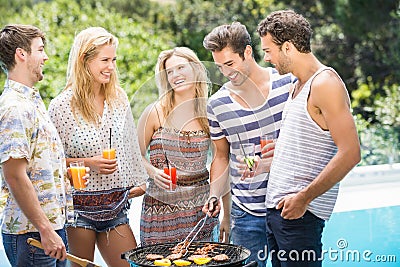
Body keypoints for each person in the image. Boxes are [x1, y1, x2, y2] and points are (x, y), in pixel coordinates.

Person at [257, 10, 361, 267]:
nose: (267, 58)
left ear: (288, 47)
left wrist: (303, 198)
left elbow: (350, 153)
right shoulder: (298, 85)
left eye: (269, 50)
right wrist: (281, 151)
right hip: (279, 213)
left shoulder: (325, 83)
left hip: (299, 215)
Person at [48, 27, 148, 267]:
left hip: (116, 208)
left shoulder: (119, 98)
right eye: (104, 60)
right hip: (78, 211)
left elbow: (130, 147)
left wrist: (139, 181)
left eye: (113, 59)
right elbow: (50, 164)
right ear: (84, 60)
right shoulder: (61, 106)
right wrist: (89, 163)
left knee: (132, 264)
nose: (111, 66)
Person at [202, 22, 296, 266]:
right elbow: (221, 157)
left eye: (230, 64)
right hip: (245, 214)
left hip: (288, 205)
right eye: (220, 66)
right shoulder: (217, 104)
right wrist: (214, 194)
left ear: (247, 52)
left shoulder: (288, 84)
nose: (226, 72)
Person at [0, 24, 74, 266]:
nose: (46, 57)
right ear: (21, 54)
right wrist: (46, 230)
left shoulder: (31, 102)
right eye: (40, 50)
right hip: (32, 235)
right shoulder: (14, 108)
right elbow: (14, 176)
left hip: (48, 230)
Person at [138, 47, 219, 245]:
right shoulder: (154, 112)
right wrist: (153, 172)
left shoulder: (209, 114)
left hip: (200, 211)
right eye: (170, 72)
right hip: (159, 212)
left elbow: (220, 159)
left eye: (181, 67)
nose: (175, 75)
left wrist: (221, 205)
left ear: (196, 69)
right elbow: (134, 155)